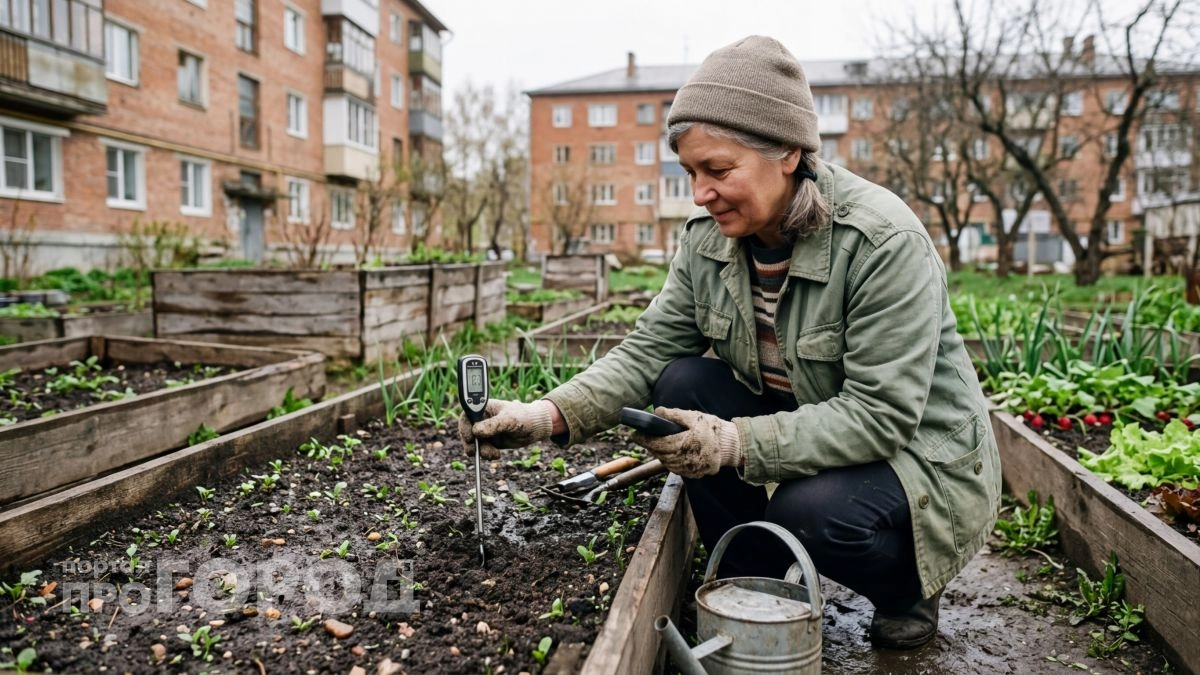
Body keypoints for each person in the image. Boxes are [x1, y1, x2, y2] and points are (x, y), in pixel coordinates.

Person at [459, 35, 1001, 649]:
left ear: (789, 153)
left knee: (809, 511)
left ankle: (907, 589)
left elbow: (881, 416)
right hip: (809, 423)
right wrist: (546, 415)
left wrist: (733, 440)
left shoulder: (880, 242)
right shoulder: (707, 239)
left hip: (917, 457)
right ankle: (753, 583)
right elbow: (649, 350)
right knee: (681, 383)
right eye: (690, 172)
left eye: (718, 170)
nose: (699, 192)